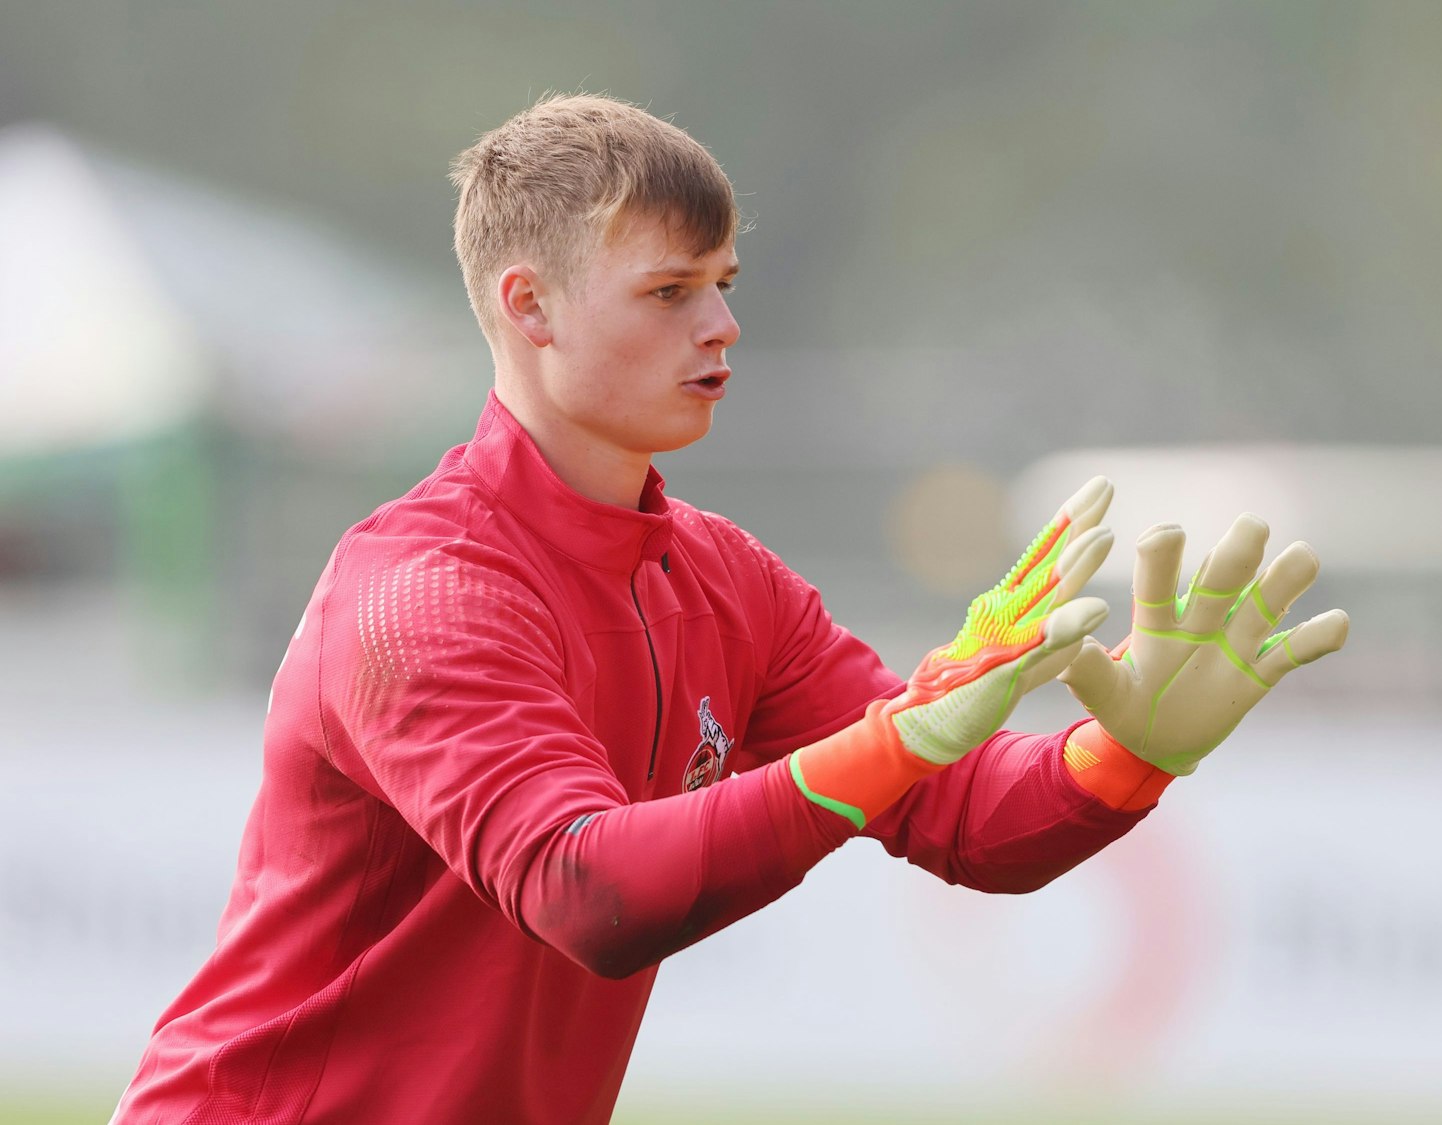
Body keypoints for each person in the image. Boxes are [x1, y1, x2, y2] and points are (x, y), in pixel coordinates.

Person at [113, 93, 1349, 1125]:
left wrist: (1123, 758)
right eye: (668, 293)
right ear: (528, 306)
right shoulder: (421, 595)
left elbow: (967, 821)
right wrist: (899, 737)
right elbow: (585, 892)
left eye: (722, 281)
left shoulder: (724, 581)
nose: (722, 325)